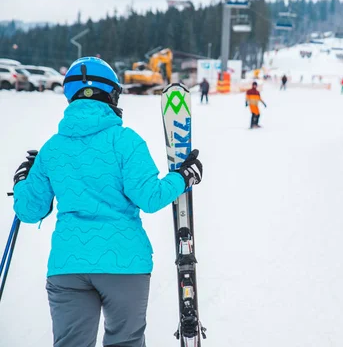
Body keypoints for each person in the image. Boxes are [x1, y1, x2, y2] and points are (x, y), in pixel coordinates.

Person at [11, 57, 203, 347]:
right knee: (125, 342)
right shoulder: (126, 141)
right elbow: (150, 198)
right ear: (112, 94)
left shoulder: (52, 149)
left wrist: (22, 183)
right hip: (124, 264)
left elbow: (28, 209)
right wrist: (183, 178)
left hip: (68, 266)